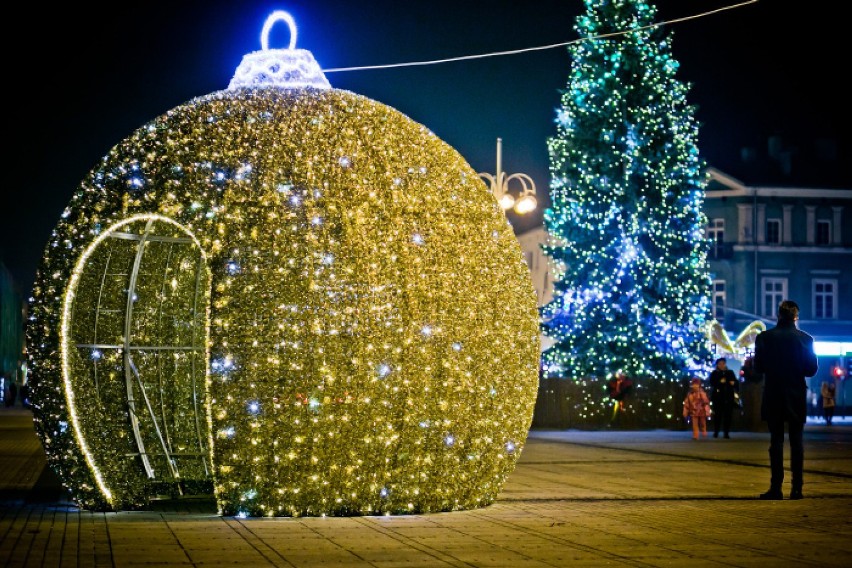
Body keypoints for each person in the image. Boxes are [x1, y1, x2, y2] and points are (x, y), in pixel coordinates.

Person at [753, 300, 818, 500]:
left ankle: (776, 488)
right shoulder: (806, 339)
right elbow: (811, 369)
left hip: (774, 393)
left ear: (778, 315)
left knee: (776, 442)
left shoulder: (764, 338)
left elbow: (758, 368)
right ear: (796, 317)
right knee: (797, 442)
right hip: (796, 394)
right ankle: (797, 488)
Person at [708, 357, 739, 438]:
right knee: (717, 415)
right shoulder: (715, 373)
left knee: (728, 415)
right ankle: (716, 431)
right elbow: (712, 383)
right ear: (717, 365)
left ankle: (726, 433)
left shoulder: (730, 372)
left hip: (728, 397)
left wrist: (733, 383)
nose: (722, 365)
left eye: (723, 363)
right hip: (718, 397)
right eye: (720, 364)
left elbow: (735, 382)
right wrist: (719, 382)